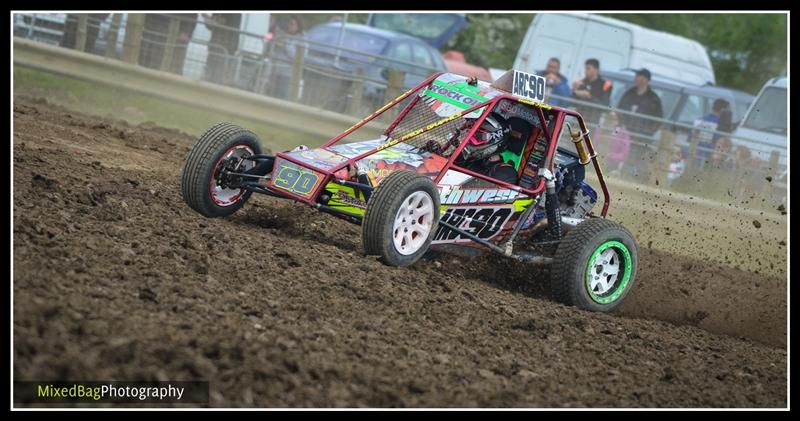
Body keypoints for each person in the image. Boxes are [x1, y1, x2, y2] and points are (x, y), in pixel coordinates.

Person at [453, 113, 519, 184]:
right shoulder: (475, 157)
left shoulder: (503, 174)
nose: (468, 134)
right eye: (471, 129)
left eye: (478, 136)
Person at [617, 68, 663, 137]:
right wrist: (620, 125)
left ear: (645, 80)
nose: (635, 78)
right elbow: (619, 109)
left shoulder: (653, 99)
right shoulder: (629, 93)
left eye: (638, 76)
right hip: (624, 133)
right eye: (636, 76)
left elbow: (658, 120)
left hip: (641, 136)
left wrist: (648, 133)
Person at [689, 98, 729, 168]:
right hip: (710, 155)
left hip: (694, 151)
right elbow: (720, 142)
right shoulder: (721, 124)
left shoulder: (699, 120)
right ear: (723, 110)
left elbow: (690, 138)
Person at [203, 13, 242, 85]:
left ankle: (213, 87)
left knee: (217, 73)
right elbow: (213, 24)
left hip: (224, 45)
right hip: (217, 44)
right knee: (211, 71)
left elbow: (222, 22)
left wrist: (207, 18)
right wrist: (207, 18)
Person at [571, 58, 612, 125]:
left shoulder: (605, 85)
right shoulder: (582, 82)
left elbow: (604, 106)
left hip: (592, 122)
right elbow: (572, 102)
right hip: (578, 119)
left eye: (588, 68)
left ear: (596, 70)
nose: (585, 71)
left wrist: (589, 97)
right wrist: (574, 90)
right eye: (585, 69)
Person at [603, 112, 631, 176]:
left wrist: (611, 156)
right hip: (599, 158)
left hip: (614, 162)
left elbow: (625, 153)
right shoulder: (600, 129)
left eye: (614, 119)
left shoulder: (624, 133)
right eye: (610, 118)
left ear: (619, 120)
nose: (611, 121)